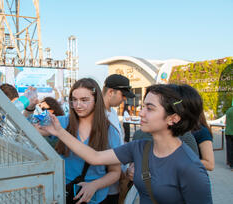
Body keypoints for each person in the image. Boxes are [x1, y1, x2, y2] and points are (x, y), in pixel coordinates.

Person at [43, 83, 212, 204]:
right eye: (143, 106)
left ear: (173, 118)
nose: (141, 113)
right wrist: (59, 131)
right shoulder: (139, 147)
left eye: (150, 108)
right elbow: (94, 157)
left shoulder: (191, 167)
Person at [39, 78, 122, 203]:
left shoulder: (110, 132)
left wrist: (95, 185)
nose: (78, 105)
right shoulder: (62, 122)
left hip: (94, 198)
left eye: (84, 100)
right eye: (74, 100)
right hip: (62, 193)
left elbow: (115, 172)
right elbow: (28, 130)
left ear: (96, 101)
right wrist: (29, 108)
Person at [102, 74, 135, 203]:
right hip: (103, 187)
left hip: (117, 183)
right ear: (111, 92)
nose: (124, 100)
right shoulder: (97, 116)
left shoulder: (113, 113)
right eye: (123, 95)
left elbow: (119, 142)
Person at [225, 101, 233, 170]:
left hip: (228, 132)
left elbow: (225, 121)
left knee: (229, 148)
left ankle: (230, 163)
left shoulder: (228, 110)